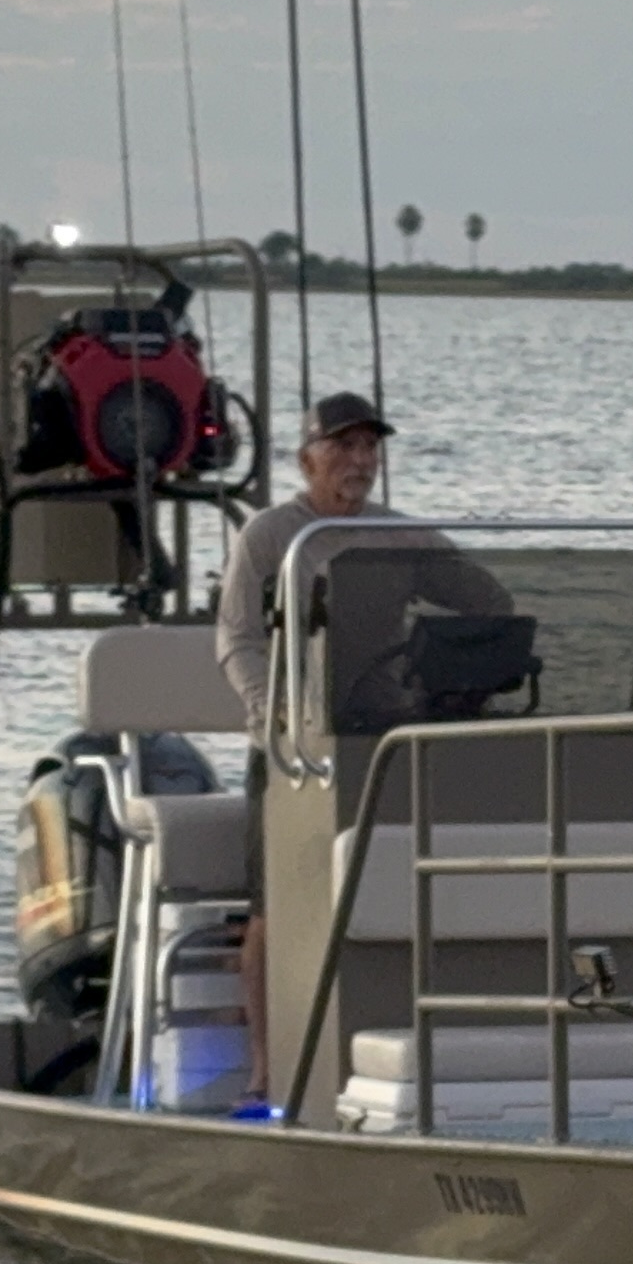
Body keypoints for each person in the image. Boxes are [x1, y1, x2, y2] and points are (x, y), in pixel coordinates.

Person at [213, 392, 509, 1106]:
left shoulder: (404, 536)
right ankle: (266, 1059)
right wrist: (274, 716)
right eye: (344, 447)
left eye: (370, 447)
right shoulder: (269, 534)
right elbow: (235, 639)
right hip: (292, 748)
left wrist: (454, 668)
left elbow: (488, 601)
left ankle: (404, 1046)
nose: (360, 461)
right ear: (307, 457)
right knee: (274, 905)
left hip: (386, 736)